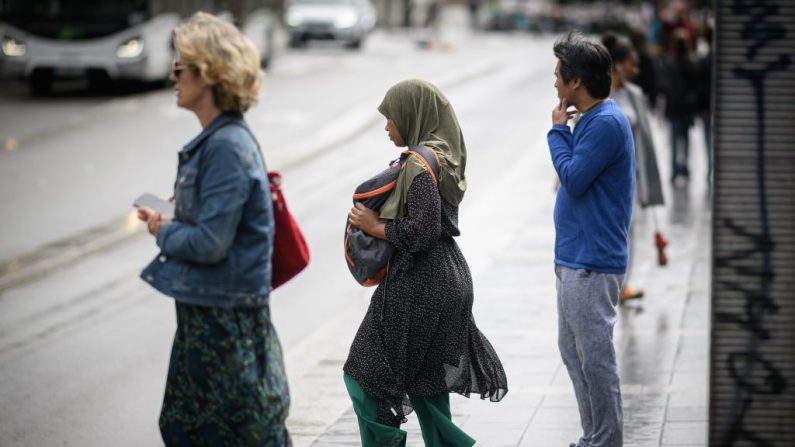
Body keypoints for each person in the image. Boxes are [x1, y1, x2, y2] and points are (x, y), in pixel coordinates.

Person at [137, 12, 290, 446]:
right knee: (194, 429)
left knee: (231, 433)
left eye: (180, 67)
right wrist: (180, 213)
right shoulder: (219, 142)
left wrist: (163, 230)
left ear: (209, 74)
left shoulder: (225, 147)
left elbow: (210, 243)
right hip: (208, 313)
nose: (172, 75)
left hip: (222, 324)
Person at [344, 79, 508, 447]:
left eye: (390, 117)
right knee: (427, 386)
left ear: (411, 114)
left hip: (420, 283)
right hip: (447, 279)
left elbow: (423, 232)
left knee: (362, 375)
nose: (386, 125)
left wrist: (375, 226)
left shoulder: (418, 165)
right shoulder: (442, 157)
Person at [547, 31, 635, 447]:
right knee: (573, 351)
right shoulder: (593, 120)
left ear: (575, 82)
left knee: (595, 357)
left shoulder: (606, 123)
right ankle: (594, 435)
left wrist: (557, 132)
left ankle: (606, 439)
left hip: (592, 260)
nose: (555, 83)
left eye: (558, 75)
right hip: (573, 257)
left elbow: (574, 179)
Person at [602, 32, 666, 303]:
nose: (636, 69)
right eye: (632, 63)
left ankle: (622, 283)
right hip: (603, 178)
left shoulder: (634, 95)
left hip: (631, 177)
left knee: (629, 230)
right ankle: (605, 281)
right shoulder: (597, 95)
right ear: (618, 64)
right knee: (606, 231)